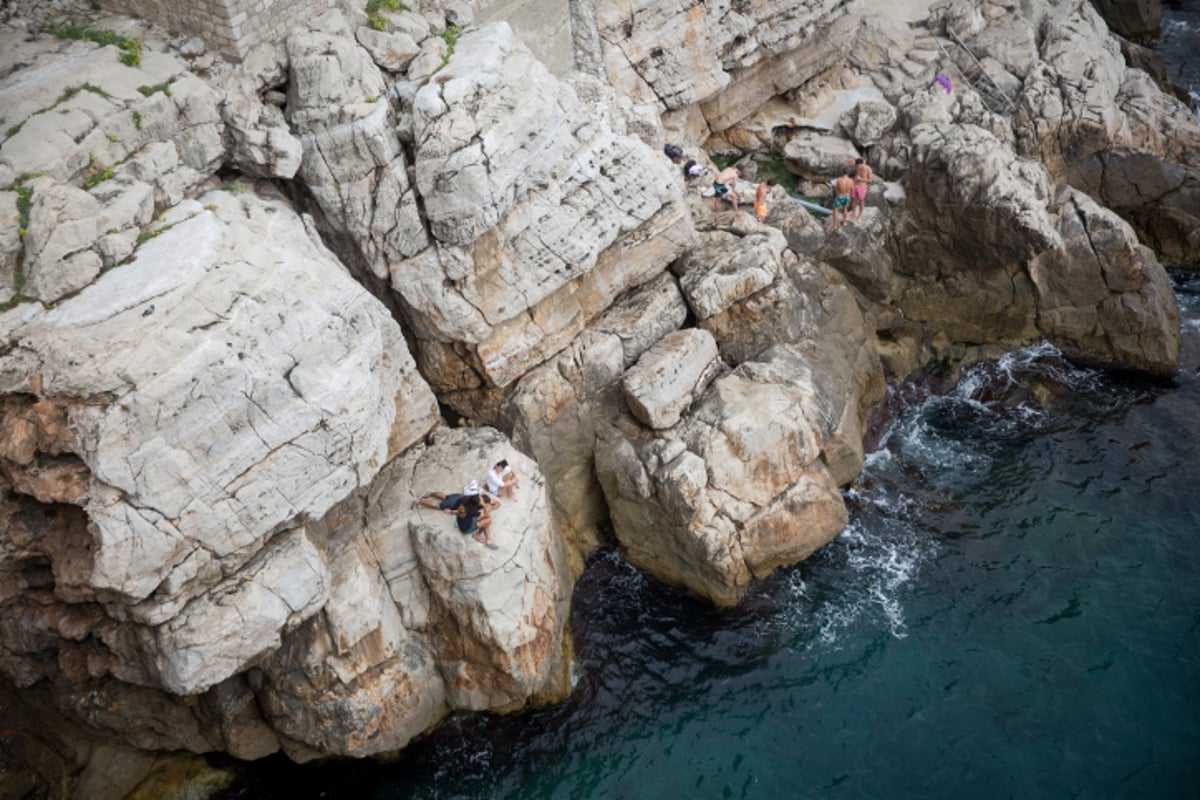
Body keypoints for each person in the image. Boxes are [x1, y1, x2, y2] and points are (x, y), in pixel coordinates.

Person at [415, 490, 497, 548]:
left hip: (458, 497)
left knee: (445, 496)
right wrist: (483, 505)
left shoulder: (468, 499)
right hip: (458, 513)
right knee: (437, 505)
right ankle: (419, 501)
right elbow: (487, 515)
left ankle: (431, 493)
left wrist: (451, 512)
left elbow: (459, 511)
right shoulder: (471, 511)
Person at [850, 158, 874, 223]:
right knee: (853, 199)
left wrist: (861, 179)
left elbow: (871, 180)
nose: (857, 167)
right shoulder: (857, 164)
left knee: (861, 201)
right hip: (855, 184)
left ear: (862, 164)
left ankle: (860, 216)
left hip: (862, 186)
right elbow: (856, 160)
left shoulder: (868, 168)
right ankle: (853, 213)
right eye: (856, 166)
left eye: (859, 166)